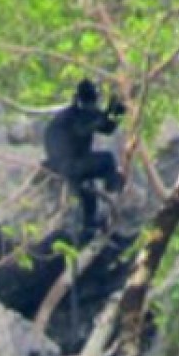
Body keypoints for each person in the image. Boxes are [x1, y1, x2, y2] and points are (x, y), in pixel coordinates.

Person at [43, 79, 126, 239]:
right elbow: (83, 130)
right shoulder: (69, 117)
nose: (92, 106)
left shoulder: (85, 112)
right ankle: (112, 186)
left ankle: (89, 228)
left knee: (89, 194)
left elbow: (108, 128)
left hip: (73, 164)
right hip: (66, 164)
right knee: (107, 159)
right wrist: (105, 114)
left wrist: (118, 107)